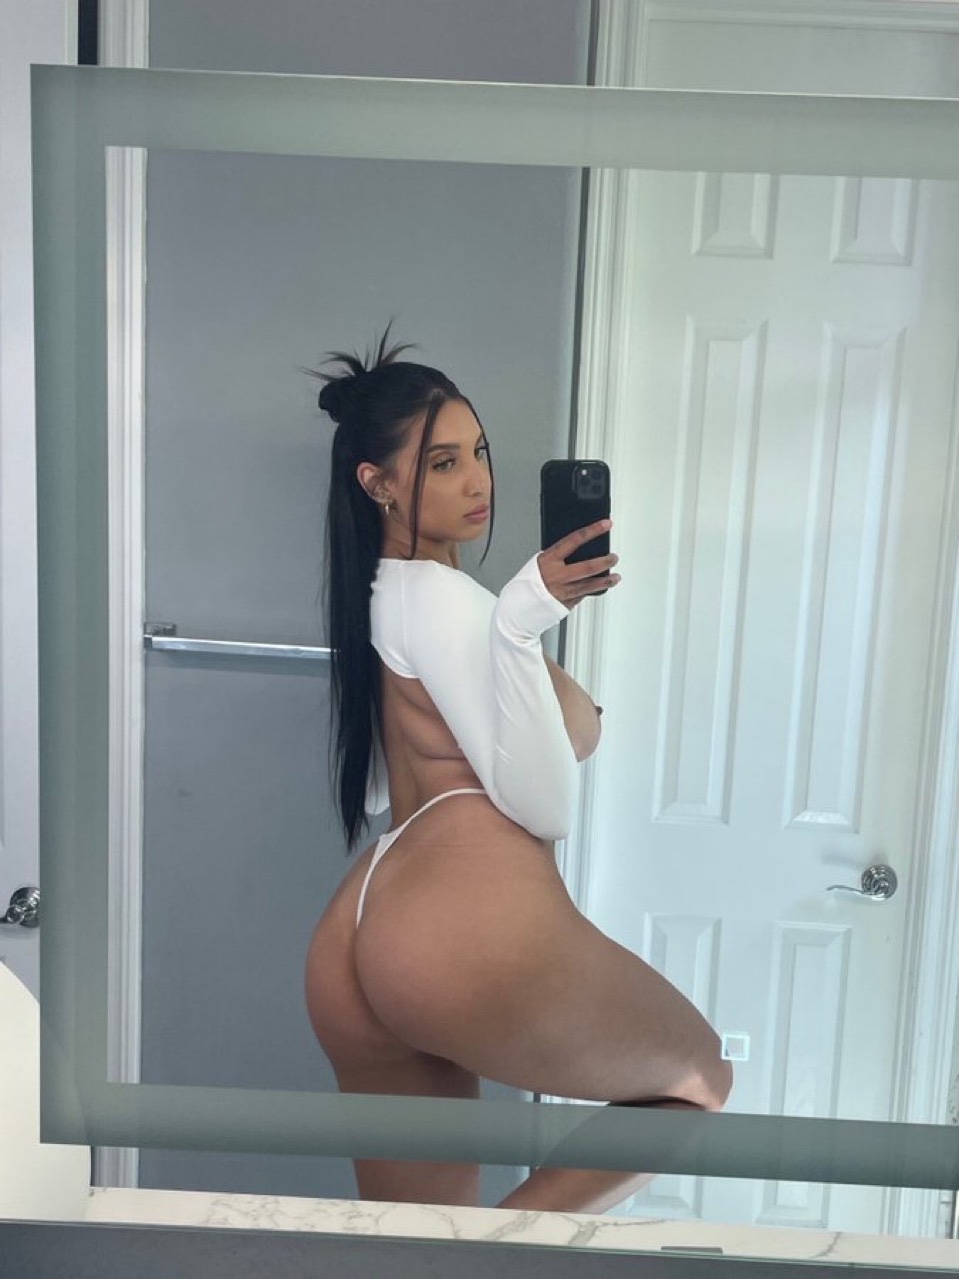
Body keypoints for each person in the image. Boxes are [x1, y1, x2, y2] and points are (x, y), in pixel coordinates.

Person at [303, 327, 731, 1214]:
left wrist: (520, 635)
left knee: (415, 1239)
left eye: (480, 453)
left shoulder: (381, 594)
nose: (477, 482)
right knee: (697, 1078)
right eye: (443, 463)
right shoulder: (454, 601)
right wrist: (521, 616)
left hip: (363, 918)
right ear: (377, 484)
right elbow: (540, 801)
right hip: (459, 923)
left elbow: (388, 782)